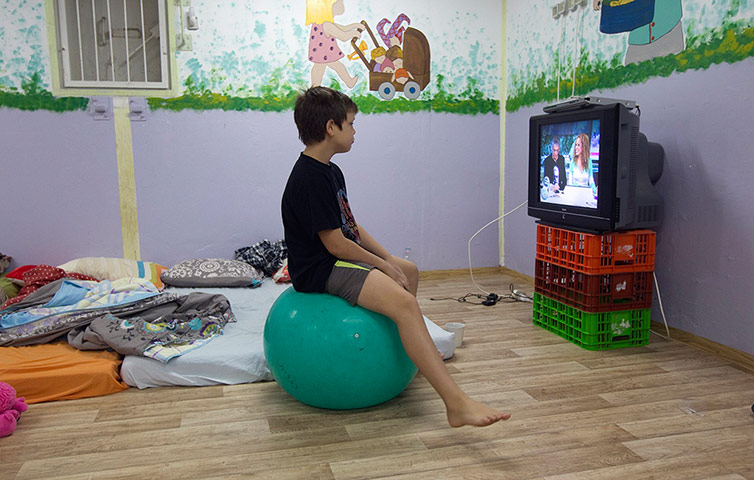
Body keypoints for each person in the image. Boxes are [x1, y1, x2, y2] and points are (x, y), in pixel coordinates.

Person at [282, 86, 511, 428]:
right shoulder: (308, 177)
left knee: (410, 271)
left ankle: (405, 359)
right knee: (404, 303)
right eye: (351, 123)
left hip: (336, 259)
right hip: (318, 269)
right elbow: (336, 245)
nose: (355, 130)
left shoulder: (331, 171)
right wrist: (381, 265)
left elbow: (351, 227)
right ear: (331, 127)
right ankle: (456, 403)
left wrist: (389, 258)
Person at [305, 0, 363, 88]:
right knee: (323, 69)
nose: (341, 5)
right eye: (338, 3)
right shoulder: (326, 25)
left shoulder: (324, 23)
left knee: (327, 67)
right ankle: (315, 89)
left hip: (324, 53)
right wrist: (354, 33)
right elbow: (343, 36)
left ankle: (315, 88)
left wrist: (355, 25)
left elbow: (343, 28)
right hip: (324, 53)